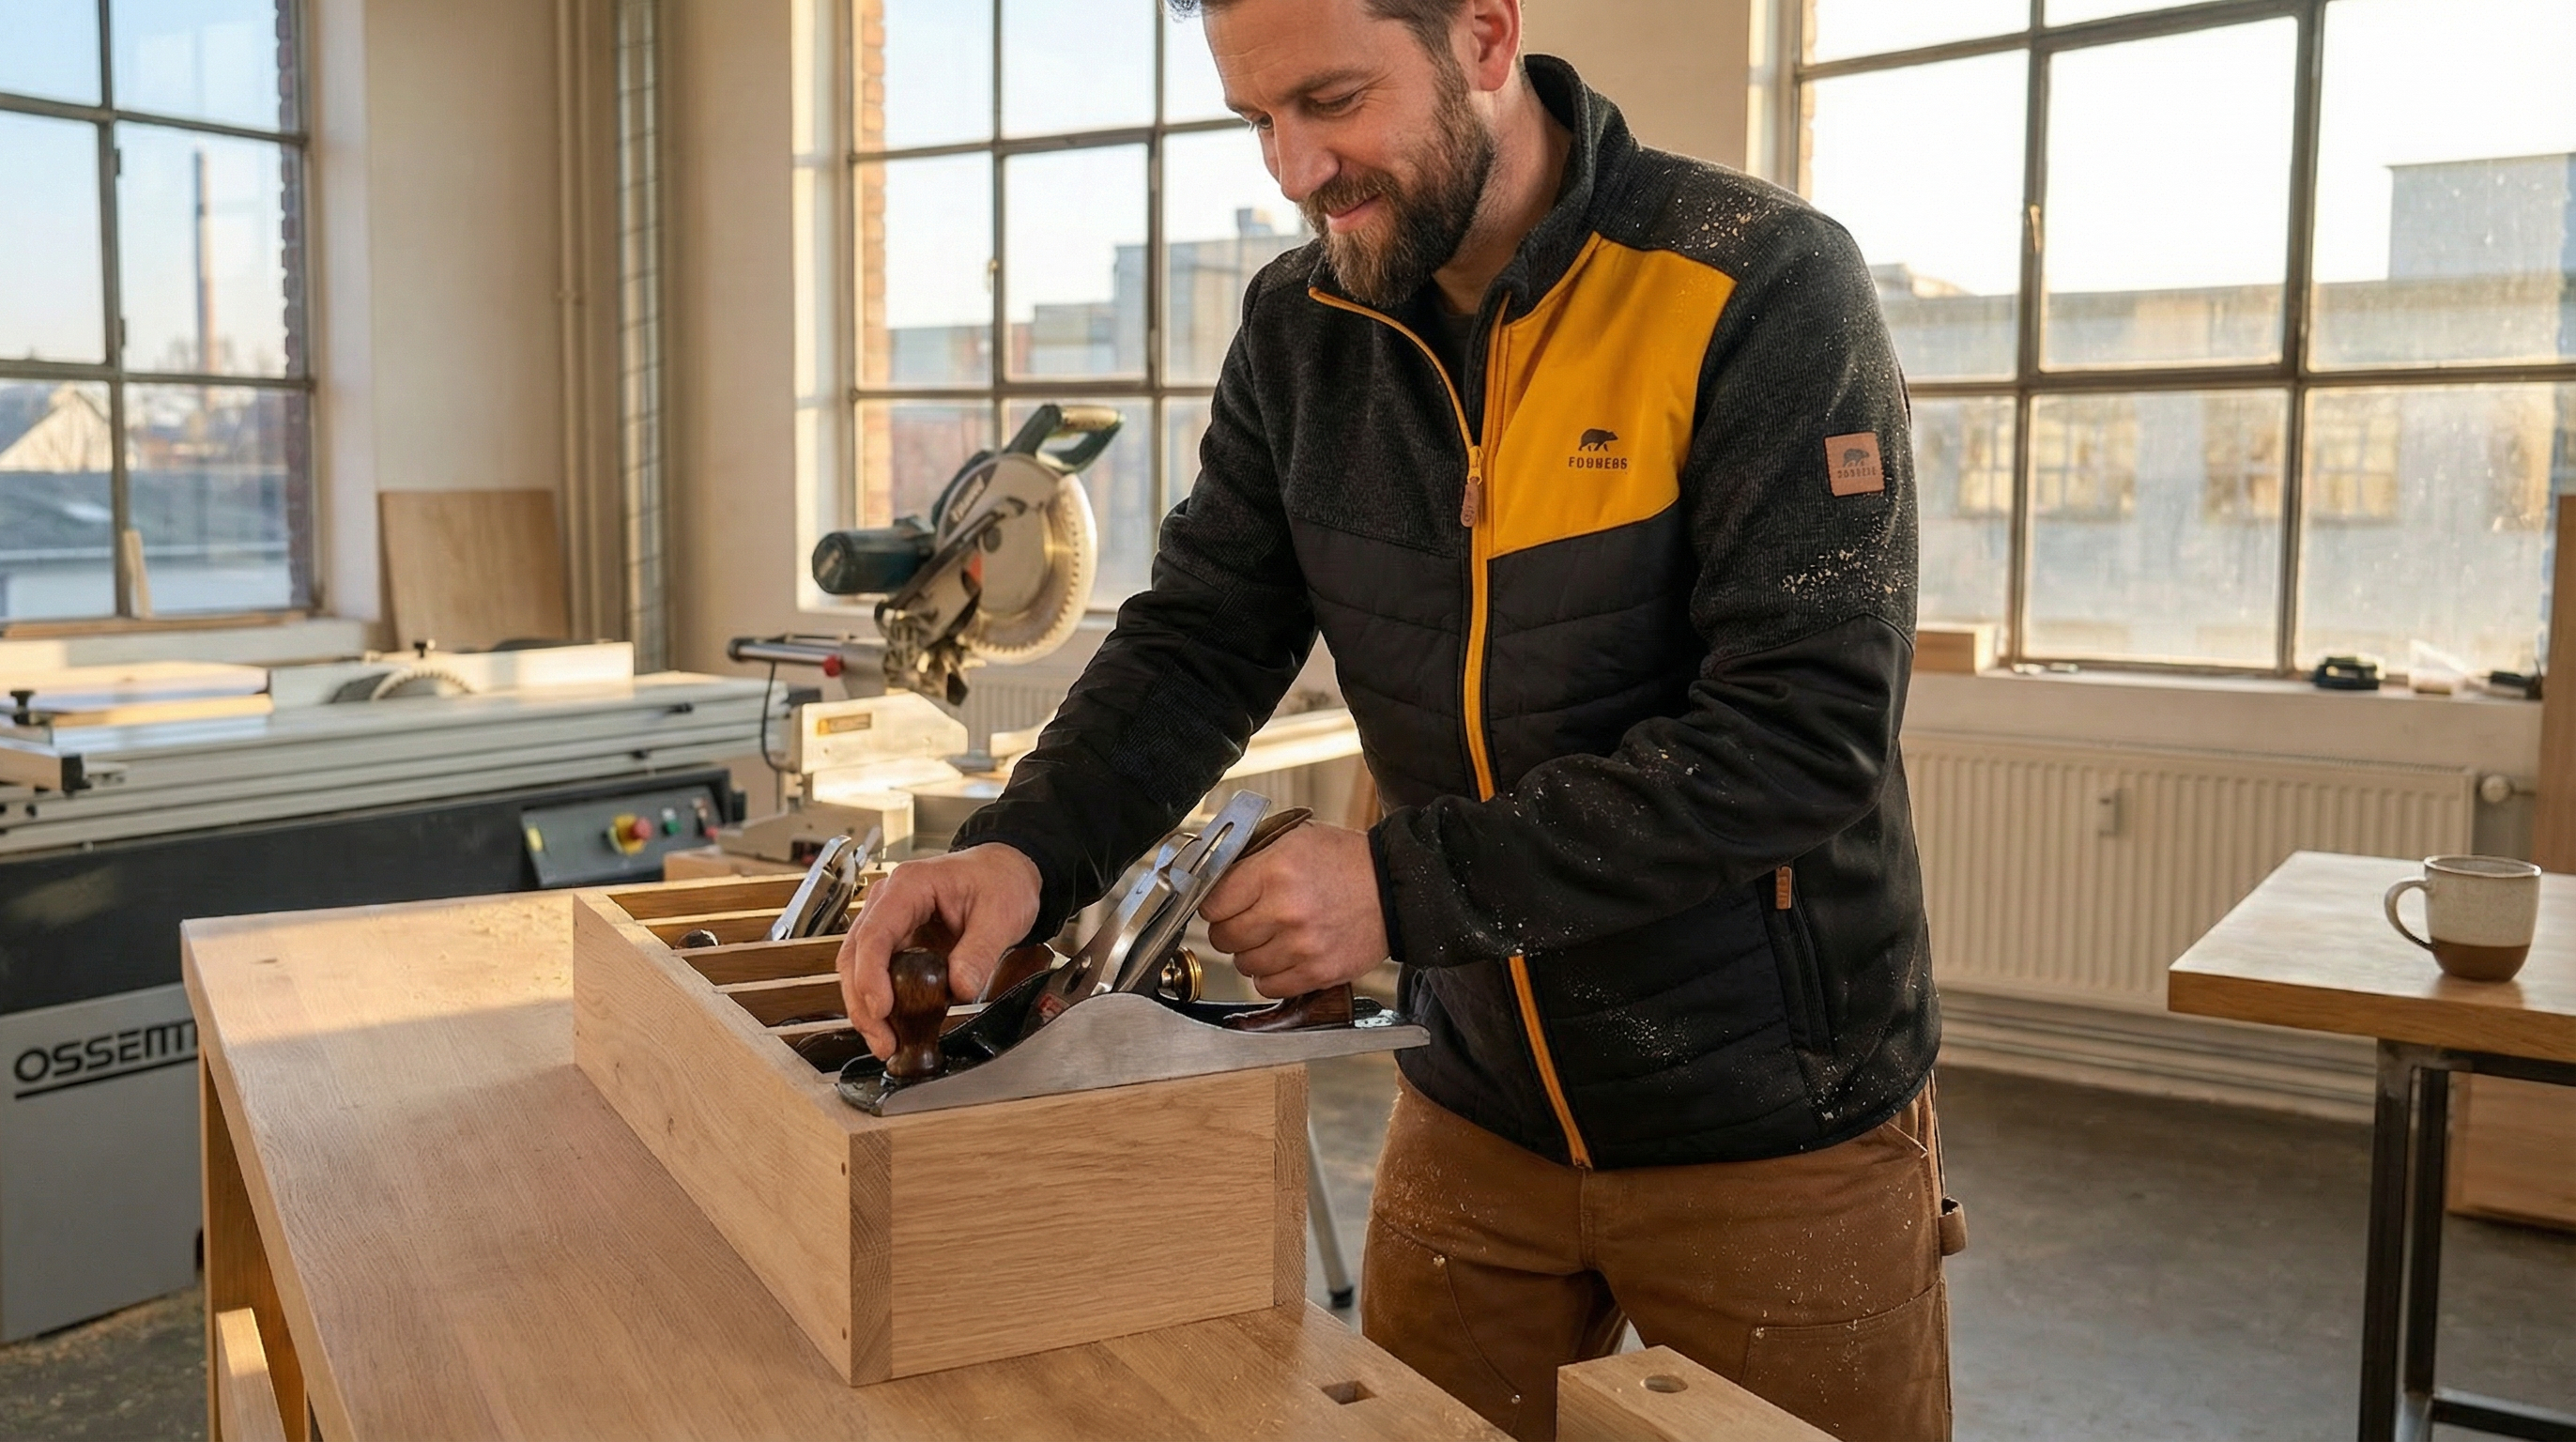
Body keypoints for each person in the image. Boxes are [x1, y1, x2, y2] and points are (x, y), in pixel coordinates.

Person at [836, 0, 1956, 1437]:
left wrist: (1397, 886)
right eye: (1259, 120)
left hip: (1770, 1127)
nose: (1295, 170)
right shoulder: (1301, 334)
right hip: (1471, 1100)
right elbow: (1196, 645)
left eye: (1333, 101)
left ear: (1484, 37)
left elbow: (1804, 741)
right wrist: (1027, 853)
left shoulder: (1760, 287)